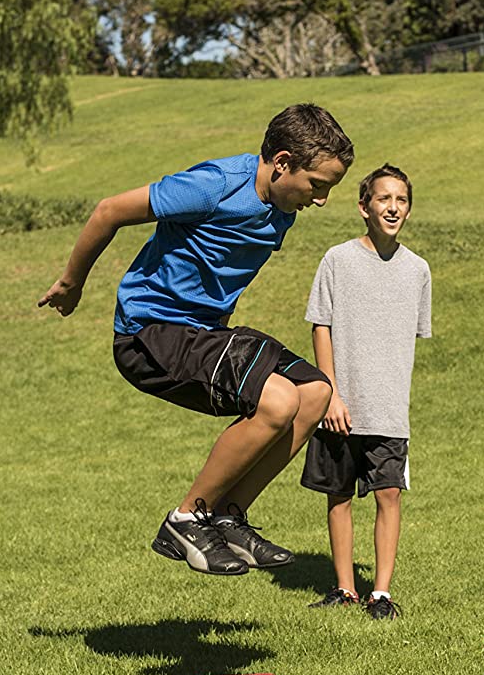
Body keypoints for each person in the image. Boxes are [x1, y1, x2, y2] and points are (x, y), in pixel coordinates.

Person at [37, 104, 353, 576]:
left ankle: (228, 515)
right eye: (317, 185)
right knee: (277, 401)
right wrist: (71, 282)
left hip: (202, 334)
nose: (322, 199)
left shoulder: (282, 207)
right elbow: (109, 211)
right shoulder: (214, 185)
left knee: (314, 394)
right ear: (282, 162)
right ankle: (187, 518)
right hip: (150, 332)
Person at [301, 164, 431, 620]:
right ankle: (343, 589)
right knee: (337, 495)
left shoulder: (418, 271)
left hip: (389, 410)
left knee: (388, 495)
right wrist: (329, 394)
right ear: (364, 207)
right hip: (339, 405)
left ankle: (381, 593)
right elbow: (322, 327)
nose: (393, 207)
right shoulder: (337, 260)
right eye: (383, 199)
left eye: (401, 200)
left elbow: (404, 341)